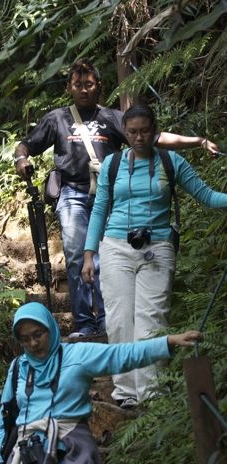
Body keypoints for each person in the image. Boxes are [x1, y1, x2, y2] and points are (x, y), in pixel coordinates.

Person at [14, 58, 219, 338]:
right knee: (77, 254)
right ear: (69, 88)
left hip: (109, 194)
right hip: (72, 193)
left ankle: (108, 321)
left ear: (99, 86)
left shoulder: (111, 118)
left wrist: (197, 141)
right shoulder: (57, 118)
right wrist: (21, 159)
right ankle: (85, 323)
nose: (84, 90)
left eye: (89, 84)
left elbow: (151, 139)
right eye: (78, 85)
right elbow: (27, 143)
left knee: (105, 256)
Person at [82, 103, 227, 409]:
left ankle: (151, 397)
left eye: (144, 131)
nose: (138, 137)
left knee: (151, 321)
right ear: (125, 131)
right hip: (116, 247)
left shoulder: (171, 162)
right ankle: (125, 395)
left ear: (154, 131)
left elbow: (207, 196)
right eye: (132, 132)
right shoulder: (112, 164)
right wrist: (88, 253)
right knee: (120, 321)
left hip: (157, 247)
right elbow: (99, 209)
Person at [0, 301, 202, 464]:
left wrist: (169, 342)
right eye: (25, 339)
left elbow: (122, 354)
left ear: (50, 328)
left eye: (38, 334)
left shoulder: (77, 355)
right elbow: (5, 417)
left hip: (68, 448)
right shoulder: (17, 368)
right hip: (27, 453)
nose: (33, 343)